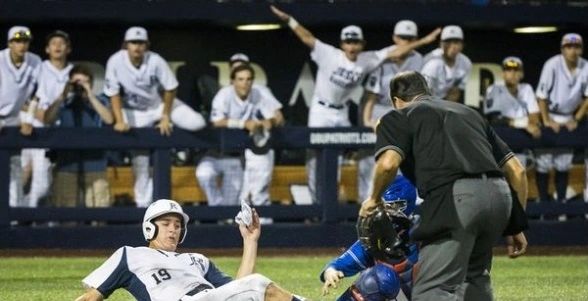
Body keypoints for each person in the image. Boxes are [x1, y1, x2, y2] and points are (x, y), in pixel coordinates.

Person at [360, 71, 528, 301]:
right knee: (474, 281)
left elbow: (387, 165)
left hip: (456, 199)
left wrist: (373, 199)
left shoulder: (399, 116)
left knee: (432, 290)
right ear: (427, 92)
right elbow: (517, 171)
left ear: (396, 101)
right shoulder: (469, 113)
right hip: (499, 196)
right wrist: (515, 224)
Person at [271, 5, 441, 203]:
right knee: (315, 160)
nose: (352, 46)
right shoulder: (330, 54)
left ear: (362, 44)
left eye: (356, 42)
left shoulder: (366, 59)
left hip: (341, 112)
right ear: (342, 43)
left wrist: (424, 42)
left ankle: (329, 204)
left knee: (337, 162)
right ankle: (316, 207)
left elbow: (396, 51)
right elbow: (307, 37)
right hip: (321, 110)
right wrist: (290, 20)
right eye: (348, 41)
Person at [74, 199, 306, 301]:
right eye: (165, 224)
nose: (173, 230)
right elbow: (91, 297)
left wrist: (250, 241)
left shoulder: (197, 260)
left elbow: (238, 291)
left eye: (177, 225)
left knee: (258, 288)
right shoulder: (130, 255)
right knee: (258, 285)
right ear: (148, 228)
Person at [104, 26, 206, 207]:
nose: (137, 47)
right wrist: (120, 121)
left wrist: (165, 116)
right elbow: (113, 93)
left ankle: (178, 151)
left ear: (147, 46)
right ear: (125, 45)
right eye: (133, 43)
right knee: (141, 163)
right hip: (133, 112)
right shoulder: (115, 61)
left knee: (197, 123)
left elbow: (171, 87)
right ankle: (143, 208)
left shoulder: (155, 60)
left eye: (141, 43)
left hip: (157, 106)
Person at [321, 175, 418, 301]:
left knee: (381, 279)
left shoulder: (422, 234)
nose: (379, 212)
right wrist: (331, 271)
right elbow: (338, 265)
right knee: (373, 280)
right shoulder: (375, 240)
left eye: (387, 207)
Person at [197, 64, 282, 208]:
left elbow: (279, 117)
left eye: (248, 79)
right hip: (215, 153)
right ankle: (216, 206)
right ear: (233, 81)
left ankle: (221, 215)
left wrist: (270, 121)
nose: (245, 83)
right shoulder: (224, 94)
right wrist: (243, 124)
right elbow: (216, 122)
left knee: (230, 206)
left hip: (236, 158)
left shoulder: (257, 93)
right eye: (240, 79)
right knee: (203, 174)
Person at [358, 20, 425, 202]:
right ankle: (367, 209)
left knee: (404, 164)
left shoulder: (418, 59)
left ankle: (404, 210)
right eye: (402, 38)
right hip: (381, 110)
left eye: (410, 38)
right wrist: (367, 121)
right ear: (395, 37)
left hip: (405, 113)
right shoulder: (383, 57)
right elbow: (371, 95)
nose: (405, 42)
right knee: (371, 166)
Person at [44, 65, 113, 207]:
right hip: (67, 165)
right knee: (67, 216)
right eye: (76, 83)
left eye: (84, 82)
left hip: (95, 165)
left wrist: (90, 95)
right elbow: (48, 119)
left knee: (98, 214)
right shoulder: (64, 104)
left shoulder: (100, 101)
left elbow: (109, 119)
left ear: (91, 83)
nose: (79, 86)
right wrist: (63, 95)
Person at [20, 30, 74, 208]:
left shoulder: (73, 72)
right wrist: (36, 114)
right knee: (24, 176)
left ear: (68, 49)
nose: (57, 46)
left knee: (45, 185)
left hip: (58, 131)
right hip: (33, 127)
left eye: (62, 43)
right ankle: (17, 219)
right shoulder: (38, 68)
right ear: (47, 49)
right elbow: (21, 97)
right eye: (53, 43)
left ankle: (29, 218)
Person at [535, 33, 588, 208]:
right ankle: (543, 204)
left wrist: (576, 118)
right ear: (562, 49)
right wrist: (547, 120)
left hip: (568, 117)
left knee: (563, 163)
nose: (573, 51)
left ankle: (561, 204)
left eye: (576, 47)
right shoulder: (552, 64)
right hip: (549, 114)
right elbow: (541, 96)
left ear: (581, 49)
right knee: (543, 162)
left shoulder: (586, 66)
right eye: (569, 47)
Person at [0, 25, 42, 207]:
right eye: (17, 41)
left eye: (25, 41)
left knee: (15, 169)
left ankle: (14, 219)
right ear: (9, 43)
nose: (22, 45)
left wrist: (30, 118)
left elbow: (37, 93)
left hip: (15, 118)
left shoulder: (35, 61)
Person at [483, 56, 541, 167]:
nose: (513, 73)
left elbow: (534, 114)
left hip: (520, 143)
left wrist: (533, 124)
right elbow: (494, 118)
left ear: (522, 74)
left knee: (519, 179)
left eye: (516, 70)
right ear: (503, 74)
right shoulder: (494, 89)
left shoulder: (526, 89)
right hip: (501, 143)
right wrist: (524, 123)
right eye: (508, 70)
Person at [421, 25, 472, 103]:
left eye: (456, 42)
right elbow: (423, 93)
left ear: (462, 45)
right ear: (441, 44)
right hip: (424, 99)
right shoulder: (432, 62)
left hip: (443, 100)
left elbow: (456, 91)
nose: (452, 46)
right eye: (448, 42)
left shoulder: (465, 62)